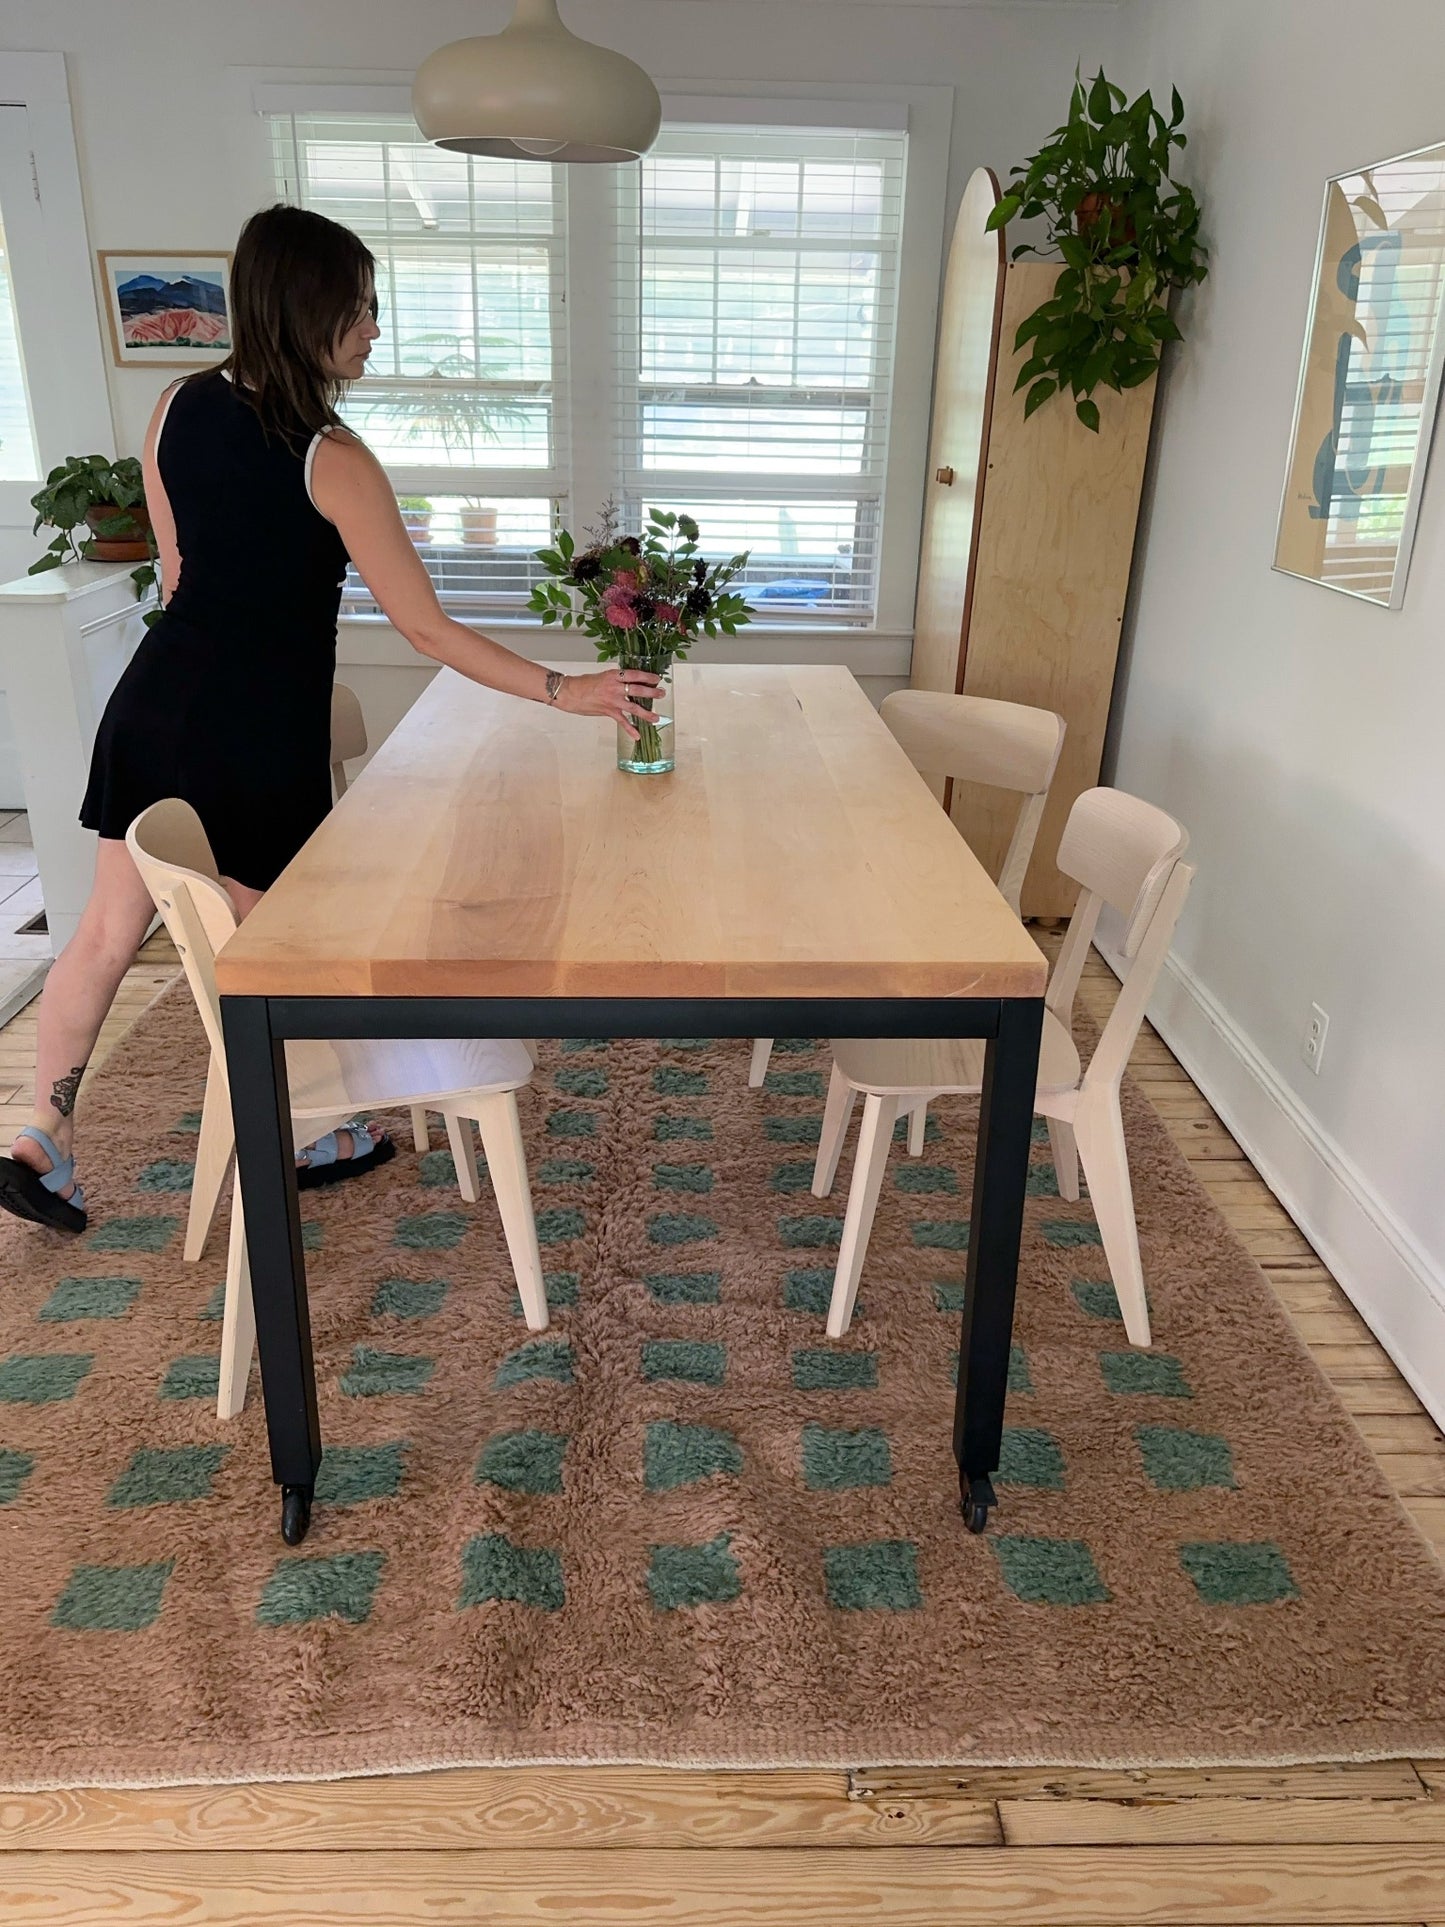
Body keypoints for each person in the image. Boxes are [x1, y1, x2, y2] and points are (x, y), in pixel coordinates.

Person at [0, 203, 658, 1234]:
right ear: (308, 311)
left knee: (103, 932)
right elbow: (427, 629)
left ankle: (39, 1134)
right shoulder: (331, 455)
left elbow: (176, 576)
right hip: (254, 737)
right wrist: (564, 690)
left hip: (152, 705)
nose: (373, 329)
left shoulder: (174, 406)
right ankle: (304, 1132)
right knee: (274, 961)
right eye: (358, 308)